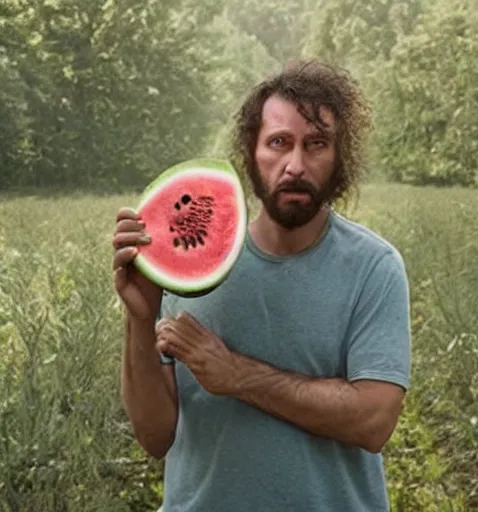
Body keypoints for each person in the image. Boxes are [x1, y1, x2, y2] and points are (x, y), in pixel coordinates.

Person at [112, 60, 412, 511]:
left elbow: (373, 420)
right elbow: (155, 436)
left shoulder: (374, 267)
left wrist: (236, 376)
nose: (295, 164)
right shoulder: (183, 267)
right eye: (278, 142)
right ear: (251, 154)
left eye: (316, 144)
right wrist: (139, 319)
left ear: (339, 157)